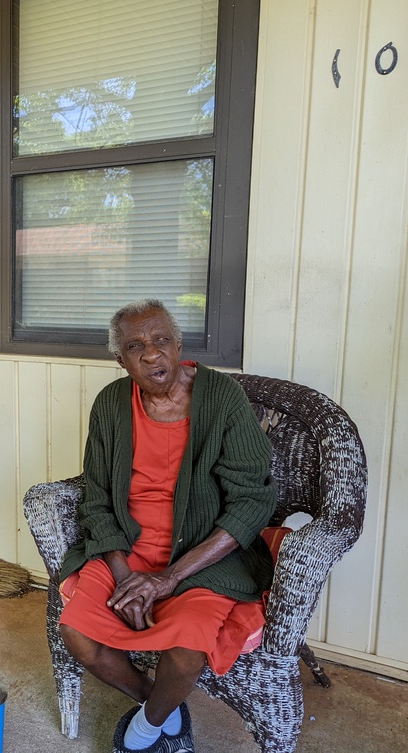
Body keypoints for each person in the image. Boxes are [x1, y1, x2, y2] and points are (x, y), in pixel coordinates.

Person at [57, 300, 276, 752]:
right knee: (77, 634)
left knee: (187, 650)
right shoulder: (111, 404)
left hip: (202, 554)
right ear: (121, 361)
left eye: (160, 341)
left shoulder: (222, 399)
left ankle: (140, 733)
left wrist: (168, 578)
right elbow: (97, 499)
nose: (151, 354)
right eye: (135, 346)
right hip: (128, 547)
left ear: (179, 346)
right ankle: (160, 708)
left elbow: (253, 499)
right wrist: (125, 579)